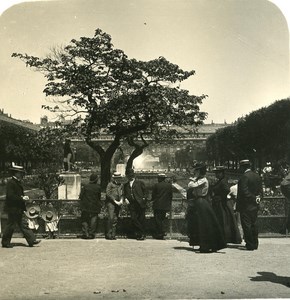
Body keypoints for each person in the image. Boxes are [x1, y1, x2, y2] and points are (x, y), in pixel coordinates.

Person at [186, 163, 226, 253]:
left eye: (196, 170)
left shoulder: (203, 180)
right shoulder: (200, 179)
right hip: (199, 202)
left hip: (201, 202)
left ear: (199, 171)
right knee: (200, 224)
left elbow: (190, 185)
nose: (195, 172)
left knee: (204, 225)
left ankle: (206, 245)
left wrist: (194, 178)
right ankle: (203, 244)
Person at [1, 164, 41, 248]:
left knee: (22, 224)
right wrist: (22, 198)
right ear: (15, 173)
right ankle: (5, 242)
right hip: (13, 208)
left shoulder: (16, 182)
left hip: (17, 208)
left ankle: (32, 240)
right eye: (20, 173)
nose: (21, 174)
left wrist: (22, 198)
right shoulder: (11, 183)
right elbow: (10, 196)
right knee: (11, 225)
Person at [236, 159, 262, 251]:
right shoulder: (257, 176)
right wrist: (257, 199)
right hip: (255, 205)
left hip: (245, 204)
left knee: (246, 225)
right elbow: (260, 191)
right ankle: (255, 243)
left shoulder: (244, 177)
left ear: (243, 167)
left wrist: (251, 198)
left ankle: (250, 244)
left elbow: (244, 191)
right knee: (254, 224)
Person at [211, 166, 241, 244]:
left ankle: (225, 237)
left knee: (223, 220)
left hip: (221, 203)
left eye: (218, 173)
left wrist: (220, 196)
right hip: (219, 202)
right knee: (223, 220)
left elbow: (227, 190)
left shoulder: (223, 181)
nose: (216, 174)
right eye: (216, 173)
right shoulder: (221, 180)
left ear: (222, 173)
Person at [123, 168, 148, 240]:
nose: (130, 177)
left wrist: (144, 198)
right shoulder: (126, 185)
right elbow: (124, 193)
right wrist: (125, 199)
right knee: (133, 218)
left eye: (131, 176)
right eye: (128, 176)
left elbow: (146, 192)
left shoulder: (139, 183)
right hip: (132, 203)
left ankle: (140, 234)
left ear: (133, 176)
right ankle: (142, 233)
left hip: (140, 203)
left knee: (141, 219)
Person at [79, 173, 102, 239]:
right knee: (93, 219)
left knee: (84, 219)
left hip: (86, 205)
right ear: (96, 180)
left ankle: (86, 233)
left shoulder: (86, 186)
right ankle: (91, 234)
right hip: (94, 205)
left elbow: (81, 196)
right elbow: (99, 197)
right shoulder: (98, 187)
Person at [151, 173, 173, 239]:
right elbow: (170, 196)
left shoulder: (156, 185)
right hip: (165, 205)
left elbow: (153, 195)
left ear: (159, 178)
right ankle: (162, 232)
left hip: (157, 205)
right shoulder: (169, 186)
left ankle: (160, 233)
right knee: (163, 219)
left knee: (158, 219)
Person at [105, 172, 124, 240]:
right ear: (114, 178)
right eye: (117, 178)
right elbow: (108, 194)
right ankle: (109, 234)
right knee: (111, 218)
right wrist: (115, 201)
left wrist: (121, 200)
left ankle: (113, 234)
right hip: (111, 203)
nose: (119, 179)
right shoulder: (110, 184)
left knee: (115, 218)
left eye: (119, 178)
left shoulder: (121, 185)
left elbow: (122, 193)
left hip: (118, 202)